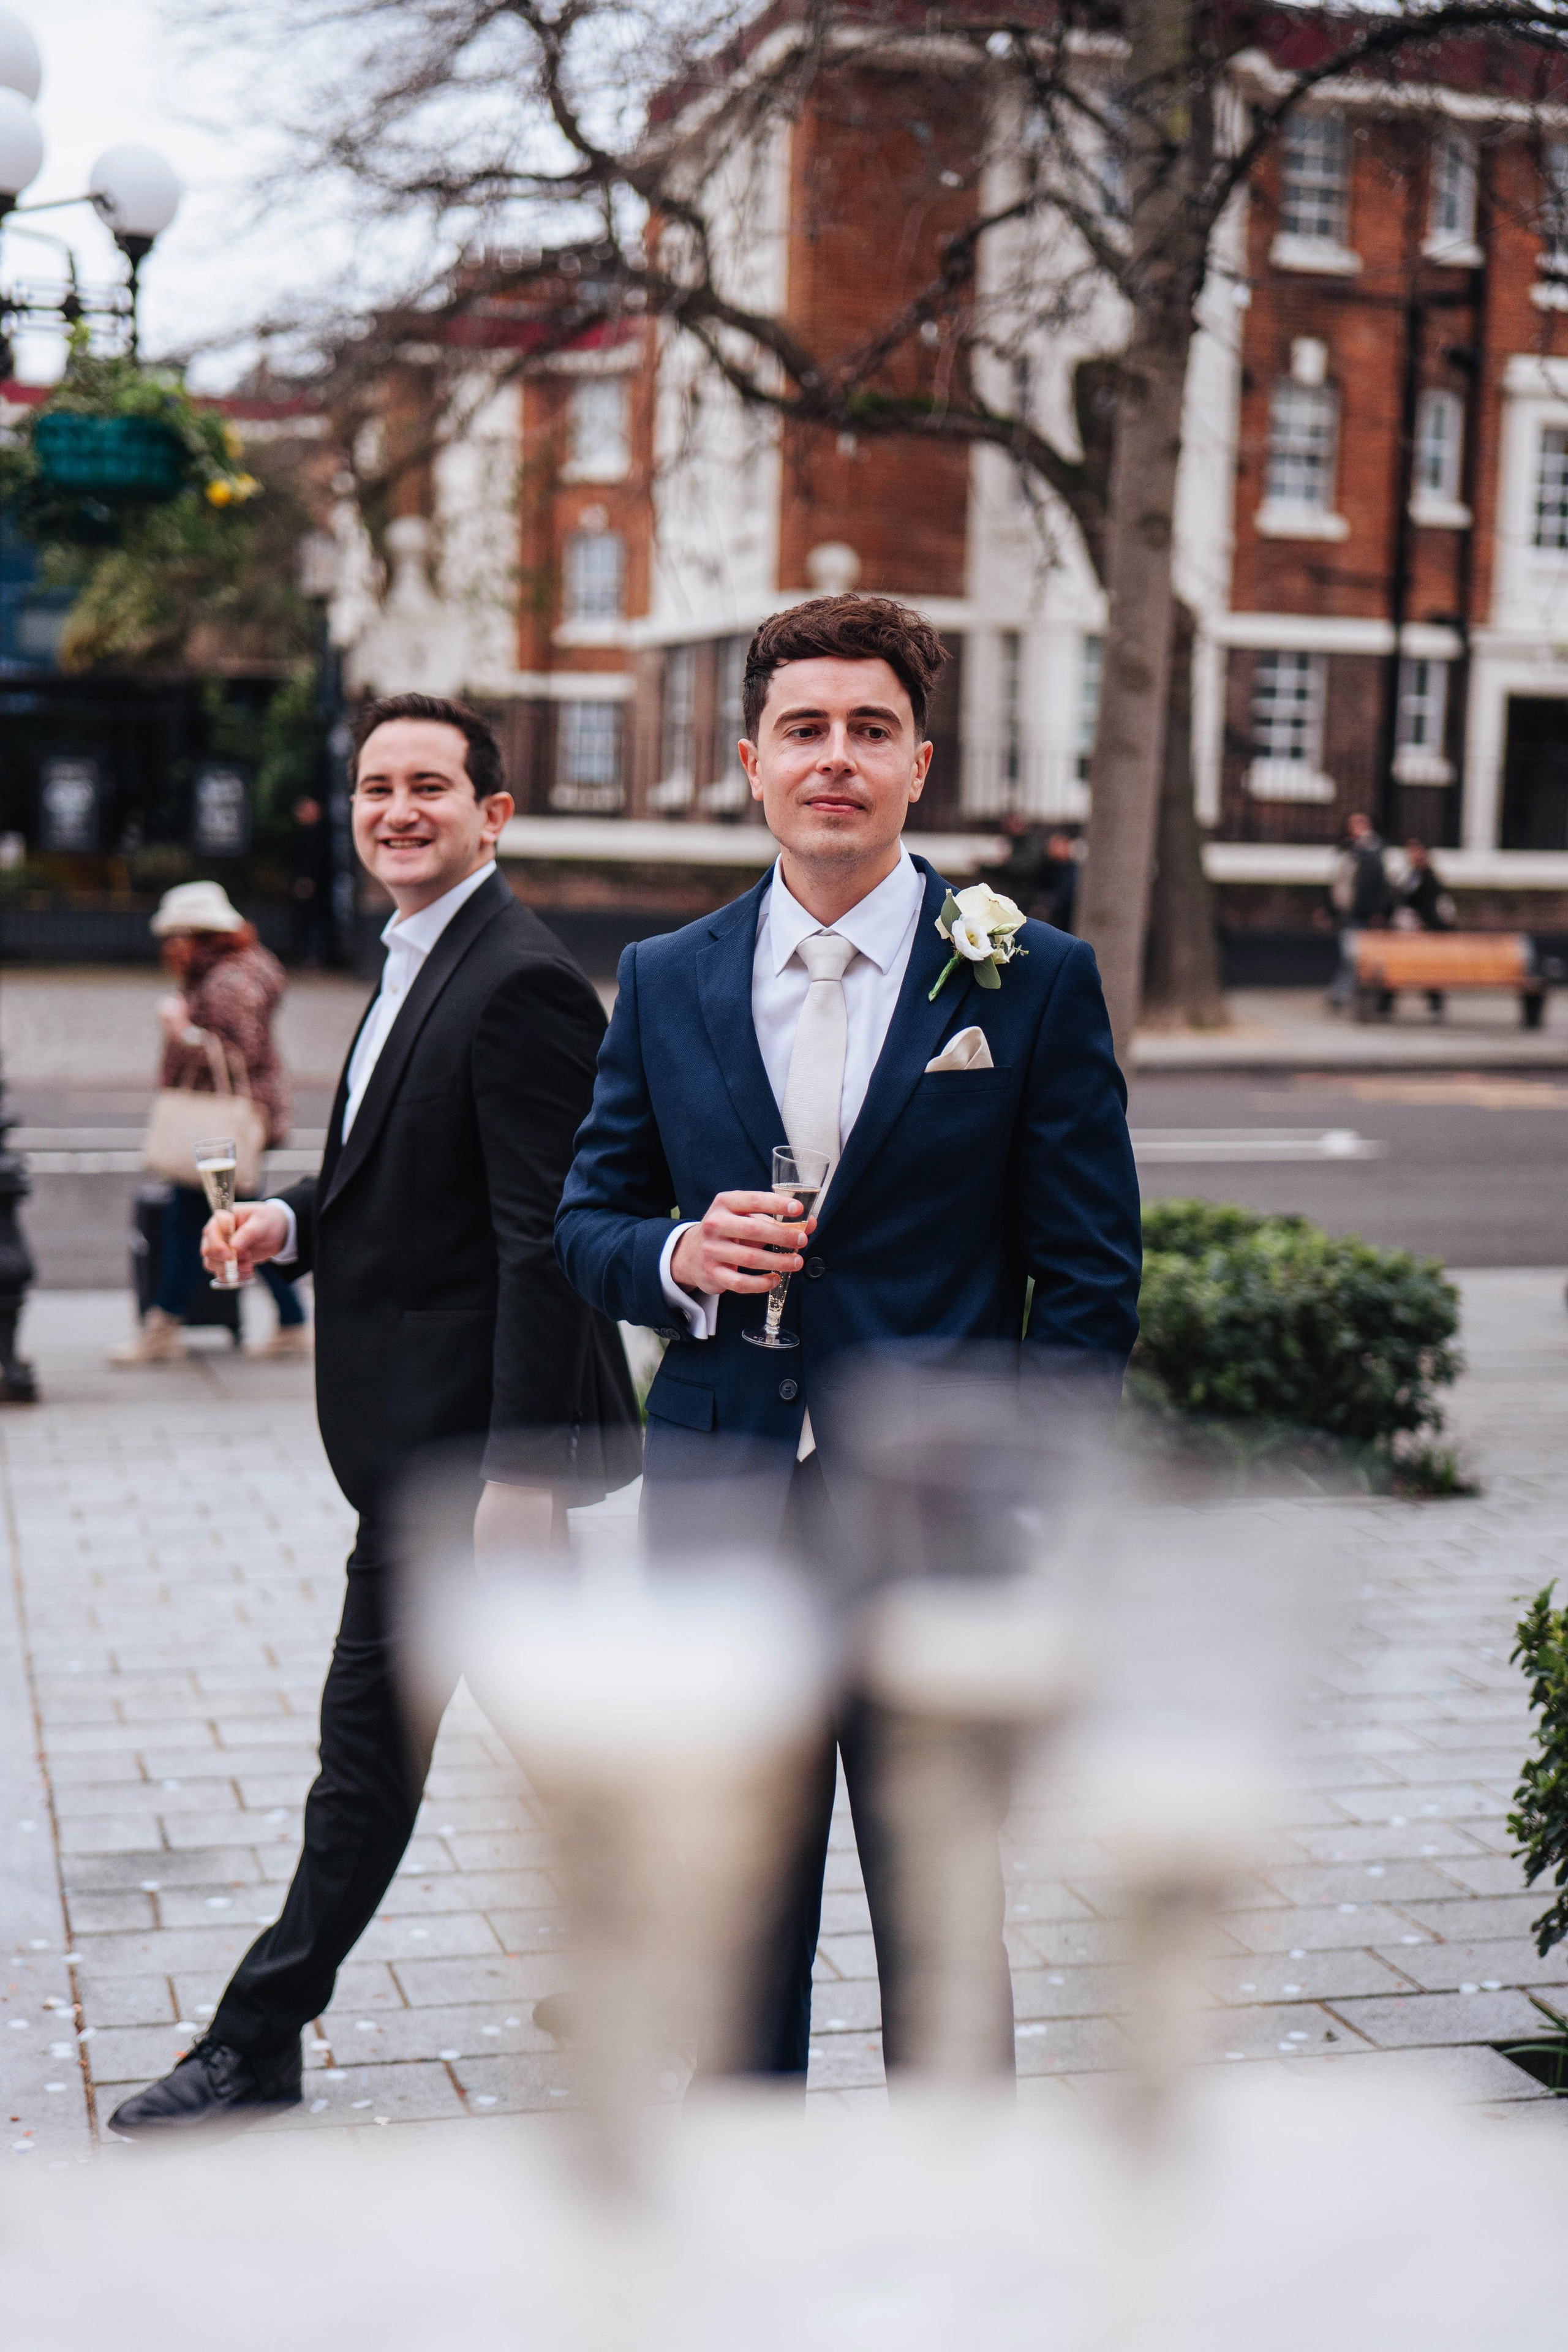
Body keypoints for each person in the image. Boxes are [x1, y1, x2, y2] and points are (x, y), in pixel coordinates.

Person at [556, 594, 1141, 2082]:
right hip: (719, 1496)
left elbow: (1084, 1276)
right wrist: (679, 1253)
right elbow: (584, 1220)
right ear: (749, 761)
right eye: (802, 730)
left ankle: (957, 2244)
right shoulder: (667, 976)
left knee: (942, 1912)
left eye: (867, 730)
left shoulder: (1027, 977)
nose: (834, 758)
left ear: (917, 764)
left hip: (934, 1519)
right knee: (734, 1904)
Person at [108, 692, 641, 2138]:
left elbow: (542, 1233)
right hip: (429, 1435)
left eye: (429, 785)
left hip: (465, 1451)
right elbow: (403, 1183)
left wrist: (520, 1470)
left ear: (493, 813)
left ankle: (259, 2028)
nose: (396, 807)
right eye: (375, 787)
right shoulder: (416, 956)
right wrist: (286, 1220)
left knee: (364, 1751)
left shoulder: (517, 977)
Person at [109, 880, 307, 1365]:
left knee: (217, 1223)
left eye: (173, 938)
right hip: (241, 1117)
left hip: (223, 1123)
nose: (167, 950)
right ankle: (289, 1321)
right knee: (222, 1218)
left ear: (193, 937)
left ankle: (166, 1327)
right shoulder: (241, 966)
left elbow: (240, 1052)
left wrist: (182, 1031)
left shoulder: (229, 980)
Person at [1326, 810, 1392, 1010]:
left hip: (1362, 913)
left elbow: (1379, 884)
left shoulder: (1373, 851)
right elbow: (1338, 882)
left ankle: (1343, 994)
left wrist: (1377, 912)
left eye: (1362, 824)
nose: (1357, 828)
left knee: (1353, 955)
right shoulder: (1347, 851)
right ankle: (1344, 994)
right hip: (1346, 911)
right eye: (1354, 824)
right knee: (1349, 955)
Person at [1387, 837, 1456, 1020]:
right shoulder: (1409, 875)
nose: (1413, 855)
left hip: (1424, 931)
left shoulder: (1429, 878)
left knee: (1430, 970)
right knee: (1395, 966)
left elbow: (1431, 906)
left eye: (1416, 851)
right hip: (1406, 930)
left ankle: (1435, 1005)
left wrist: (1423, 924)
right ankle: (1386, 1003)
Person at [288, 794, 335, 966]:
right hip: (309, 885)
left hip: (319, 888)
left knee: (317, 922)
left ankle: (317, 954)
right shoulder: (304, 834)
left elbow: (317, 861)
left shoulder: (321, 835)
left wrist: (310, 880)